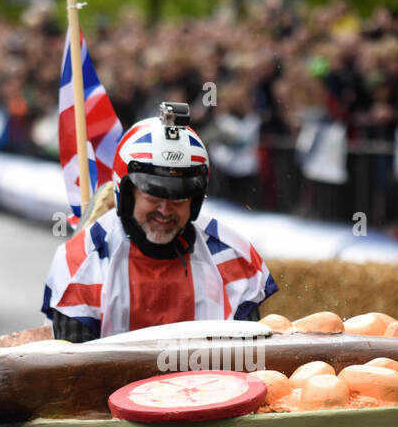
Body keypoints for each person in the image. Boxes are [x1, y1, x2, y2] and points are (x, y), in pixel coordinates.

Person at [42, 101, 277, 342]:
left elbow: (251, 361)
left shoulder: (235, 257)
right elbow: (73, 373)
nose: (165, 211)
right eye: (153, 196)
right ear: (126, 194)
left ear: (196, 201)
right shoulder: (78, 263)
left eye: (179, 198)